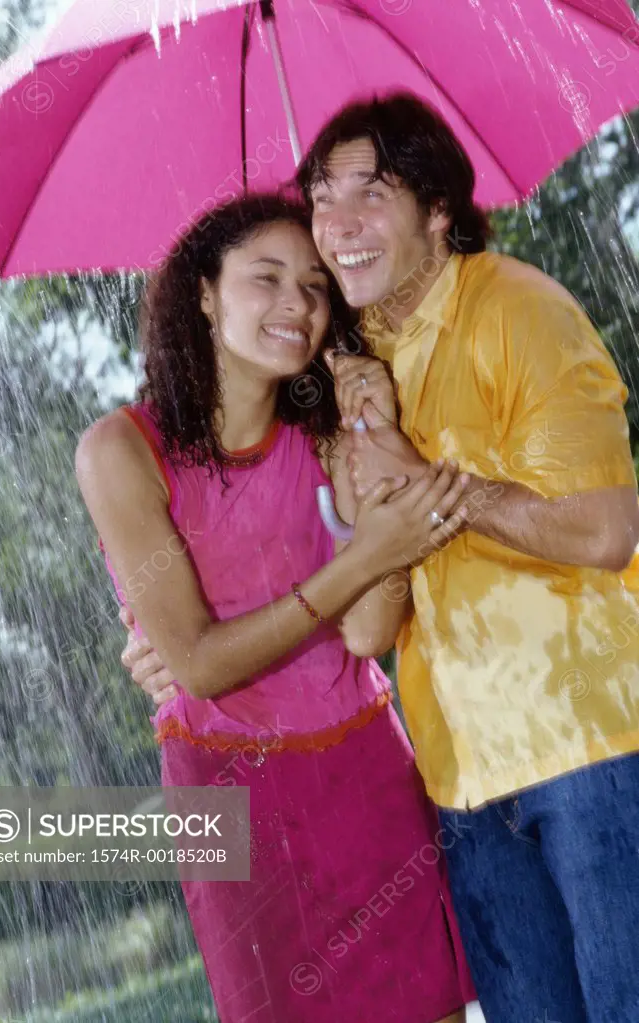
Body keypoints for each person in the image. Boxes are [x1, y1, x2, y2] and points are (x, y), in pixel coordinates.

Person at [127, 96, 639, 1021]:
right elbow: (363, 611)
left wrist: (432, 486)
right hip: (458, 779)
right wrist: (163, 630)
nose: (338, 226)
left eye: (372, 191)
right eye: (324, 196)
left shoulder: (518, 311)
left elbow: (605, 533)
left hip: (591, 746)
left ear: (438, 209)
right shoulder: (356, 372)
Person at [75, 194, 476, 1023]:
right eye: (266, 278)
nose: (296, 304)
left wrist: (376, 445)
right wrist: (368, 554)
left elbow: (367, 631)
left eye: (315, 286)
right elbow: (198, 663)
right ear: (205, 294)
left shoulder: (330, 435)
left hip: (363, 767)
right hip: (223, 789)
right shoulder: (119, 451)